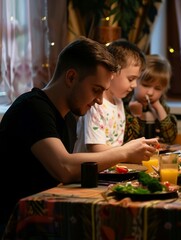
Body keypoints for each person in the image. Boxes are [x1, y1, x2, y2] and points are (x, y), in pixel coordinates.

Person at [0, 37, 158, 235]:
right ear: (71, 77)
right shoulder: (32, 108)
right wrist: (125, 153)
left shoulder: (69, 118)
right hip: (17, 223)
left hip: (48, 215)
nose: (100, 101)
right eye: (96, 90)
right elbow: (64, 167)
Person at [74, 39, 146, 152]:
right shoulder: (95, 104)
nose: (135, 85)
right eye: (131, 79)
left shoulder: (118, 101)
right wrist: (127, 152)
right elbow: (95, 150)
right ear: (113, 72)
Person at [124, 54, 178, 144]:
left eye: (157, 88)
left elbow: (171, 138)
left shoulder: (162, 107)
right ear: (134, 80)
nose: (150, 93)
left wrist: (159, 109)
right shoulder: (125, 106)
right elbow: (129, 141)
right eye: (145, 85)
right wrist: (136, 116)